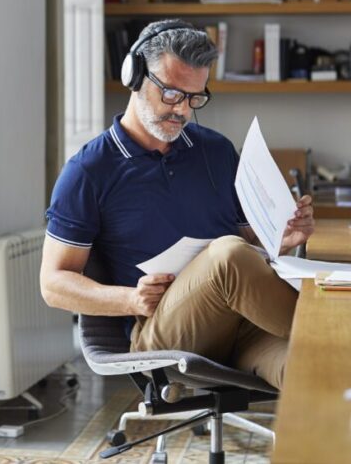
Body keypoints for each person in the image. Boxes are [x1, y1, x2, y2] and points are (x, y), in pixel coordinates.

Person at [39, 20, 314, 389]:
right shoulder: (88, 171)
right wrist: (131, 300)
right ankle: (336, 328)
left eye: (194, 97)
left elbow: (253, 245)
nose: (182, 110)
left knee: (319, 370)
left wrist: (282, 237)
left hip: (243, 328)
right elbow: (53, 284)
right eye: (171, 93)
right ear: (135, 75)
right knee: (227, 255)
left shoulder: (216, 152)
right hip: (166, 336)